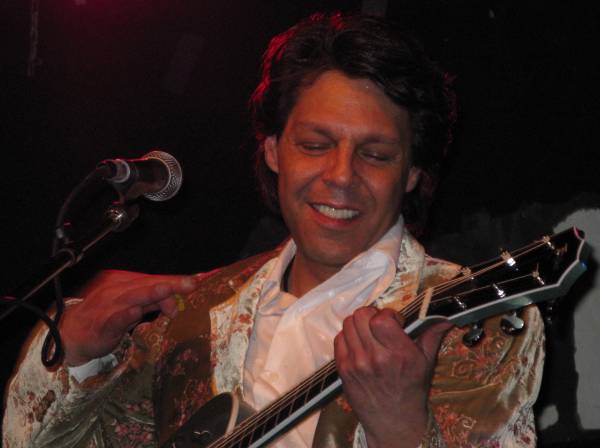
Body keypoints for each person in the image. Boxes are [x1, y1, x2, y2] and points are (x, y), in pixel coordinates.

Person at [3, 13, 544, 448]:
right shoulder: (191, 316)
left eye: (375, 155)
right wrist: (77, 357)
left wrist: (401, 430)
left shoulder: (479, 322)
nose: (340, 176)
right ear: (273, 151)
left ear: (413, 176)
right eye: (315, 145)